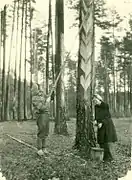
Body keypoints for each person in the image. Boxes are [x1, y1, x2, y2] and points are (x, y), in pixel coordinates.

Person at [93, 94, 117, 162]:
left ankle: (108, 158)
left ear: (99, 99)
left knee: (105, 141)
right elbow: (97, 116)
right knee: (100, 141)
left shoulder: (105, 105)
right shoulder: (96, 107)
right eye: (94, 101)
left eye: (96, 100)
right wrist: (95, 121)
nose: (95, 102)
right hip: (100, 125)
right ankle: (105, 157)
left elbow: (107, 116)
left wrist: (102, 123)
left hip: (106, 124)